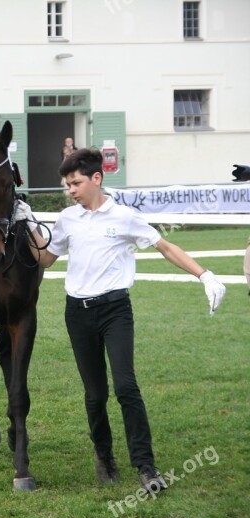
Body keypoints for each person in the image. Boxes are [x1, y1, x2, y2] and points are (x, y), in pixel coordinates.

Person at [15, 148, 226, 494]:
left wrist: (204, 275)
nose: (71, 190)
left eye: (76, 183)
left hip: (116, 311)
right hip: (77, 313)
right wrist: (26, 226)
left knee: (126, 387)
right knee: (95, 395)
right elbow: (46, 259)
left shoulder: (124, 217)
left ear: (97, 178)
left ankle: (145, 465)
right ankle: (104, 456)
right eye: (67, 184)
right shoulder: (68, 219)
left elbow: (165, 247)